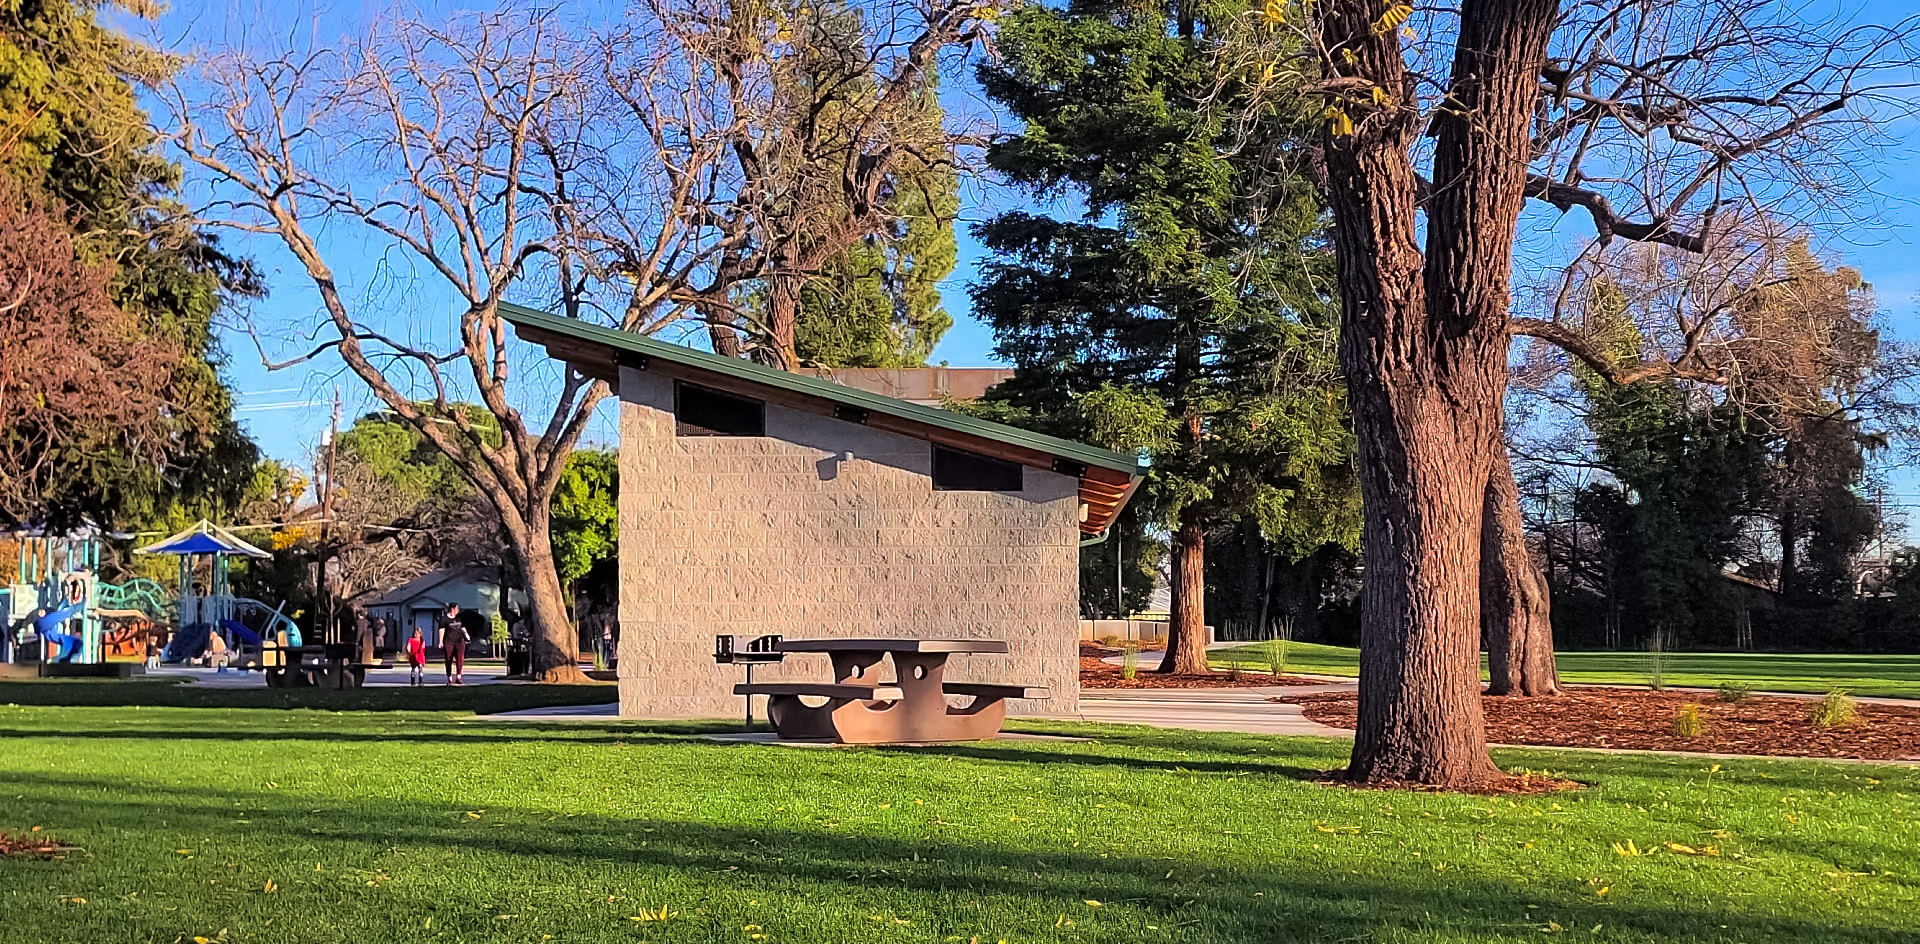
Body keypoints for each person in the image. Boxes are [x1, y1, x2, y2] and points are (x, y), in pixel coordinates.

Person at [439, 604, 470, 686]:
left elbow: (463, 627)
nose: (458, 610)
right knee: (448, 659)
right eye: (457, 608)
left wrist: (466, 635)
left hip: (459, 641)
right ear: (452, 609)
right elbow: (441, 630)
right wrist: (440, 641)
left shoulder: (459, 617)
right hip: (449, 641)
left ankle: (458, 677)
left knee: (460, 659)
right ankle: (449, 677)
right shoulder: (444, 619)